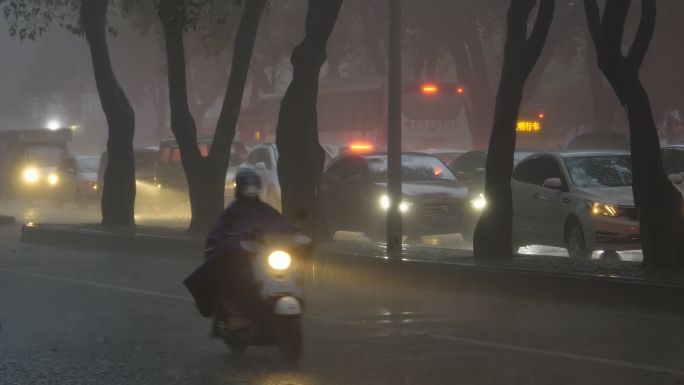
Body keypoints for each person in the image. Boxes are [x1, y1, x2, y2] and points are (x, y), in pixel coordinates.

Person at [183, 169, 294, 338]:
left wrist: (295, 233)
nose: (251, 190)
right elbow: (218, 235)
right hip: (241, 260)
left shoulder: (265, 209)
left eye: (254, 186)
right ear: (241, 188)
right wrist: (232, 244)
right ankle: (244, 317)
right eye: (248, 186)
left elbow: (281, 223)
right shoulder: (233, 211)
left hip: (264, 257)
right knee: (240, 281)